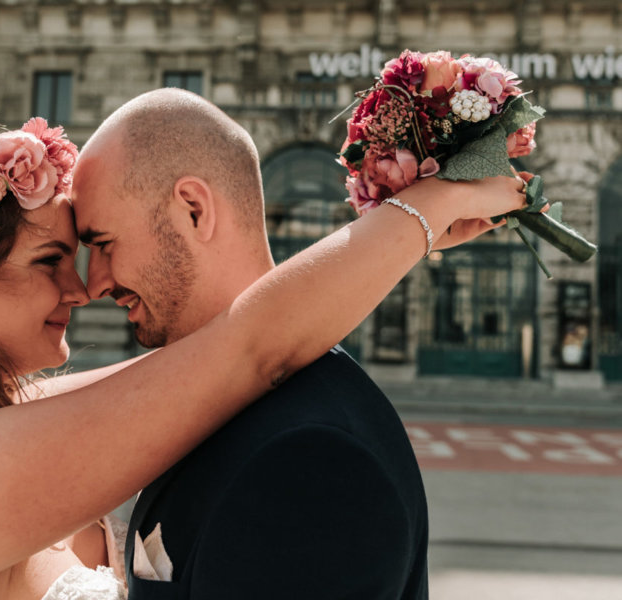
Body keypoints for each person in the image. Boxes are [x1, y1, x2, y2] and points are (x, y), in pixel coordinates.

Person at [0, 113, 525, 599]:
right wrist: (426, 208)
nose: (83, 287)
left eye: (91, 250)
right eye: (52, 258)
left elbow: (228, 355)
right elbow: (246, 351)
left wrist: (403, 233)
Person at [70, 88, 532, 599]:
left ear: (194, 209)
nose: (93, 285)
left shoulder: (311, 460)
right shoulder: (203, 396)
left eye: (103, 244)